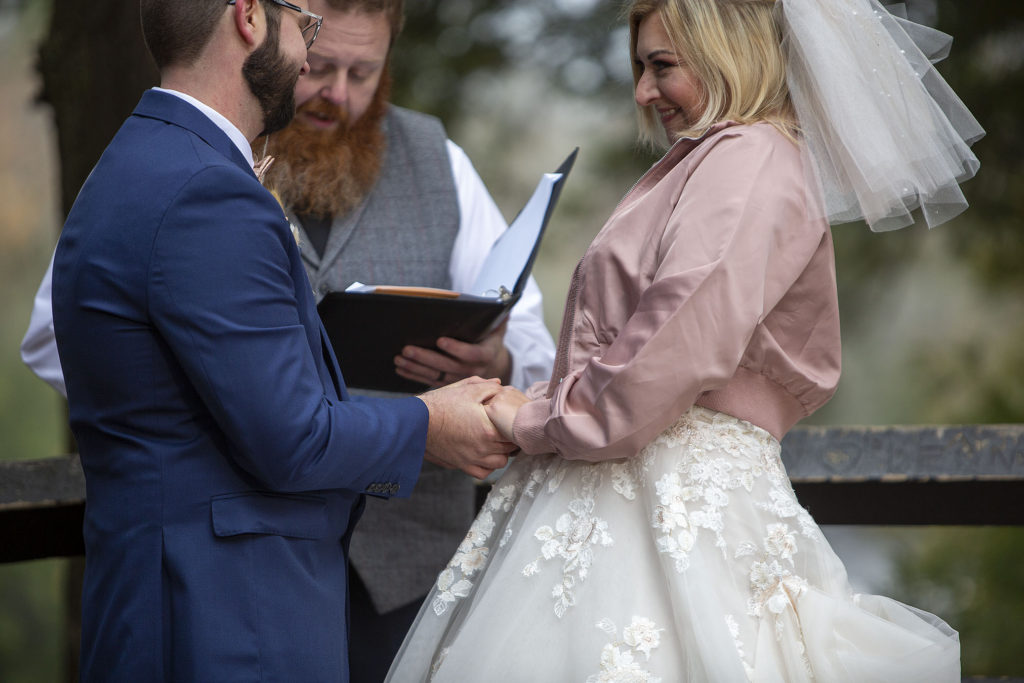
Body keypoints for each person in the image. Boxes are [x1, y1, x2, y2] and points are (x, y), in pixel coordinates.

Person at [385, 0, 982, 681]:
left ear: (728, 50)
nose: (643, 91)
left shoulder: (748, 160)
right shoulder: (719, 162)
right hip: (634, 491)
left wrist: (534, 417)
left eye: (661, 66)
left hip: (666, 503)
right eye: (639, 67)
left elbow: (672, 342)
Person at [21, 0, 555, 678]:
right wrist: (428, 422)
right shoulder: (208, 189)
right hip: (222, 604)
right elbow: (291, 435)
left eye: (362, 70)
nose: (316, 70)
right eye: (307, 33)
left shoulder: (141, 156)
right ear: (249, 16)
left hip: (277, 582)